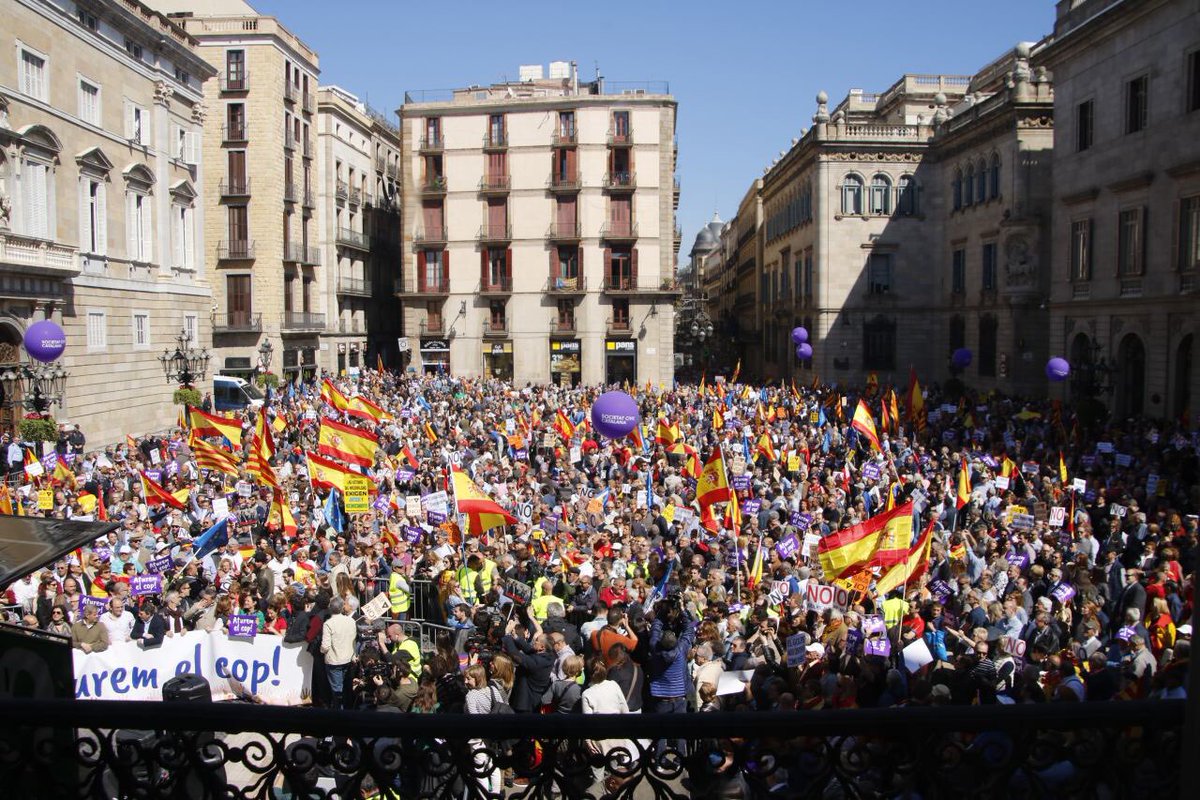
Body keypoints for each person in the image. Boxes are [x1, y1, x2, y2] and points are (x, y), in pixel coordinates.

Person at [320, 597, 357, 710]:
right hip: (349, 659)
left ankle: (338, 716)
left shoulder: (328, 624)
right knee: (346, 689)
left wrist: (321, 650)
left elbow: (325, 646)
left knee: (337, 691)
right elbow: (353, 639)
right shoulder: (350, 621)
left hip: (334, 662)